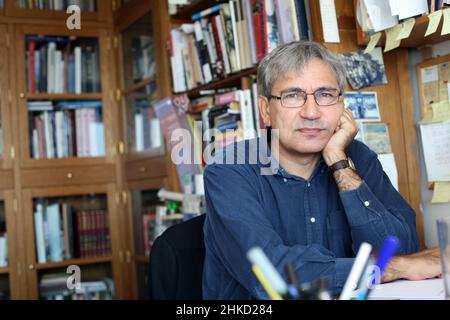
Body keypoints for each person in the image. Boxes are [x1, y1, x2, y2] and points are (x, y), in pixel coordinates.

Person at [202, 41, 441, 300]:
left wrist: (339, 162)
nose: (312, 112)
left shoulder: (357, 157)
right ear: (265, 110)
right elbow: (273, 276)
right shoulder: (229, 169)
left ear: (342, 105)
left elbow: (401, 248)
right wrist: (389, 268)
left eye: (325, 94)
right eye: (292, 95)